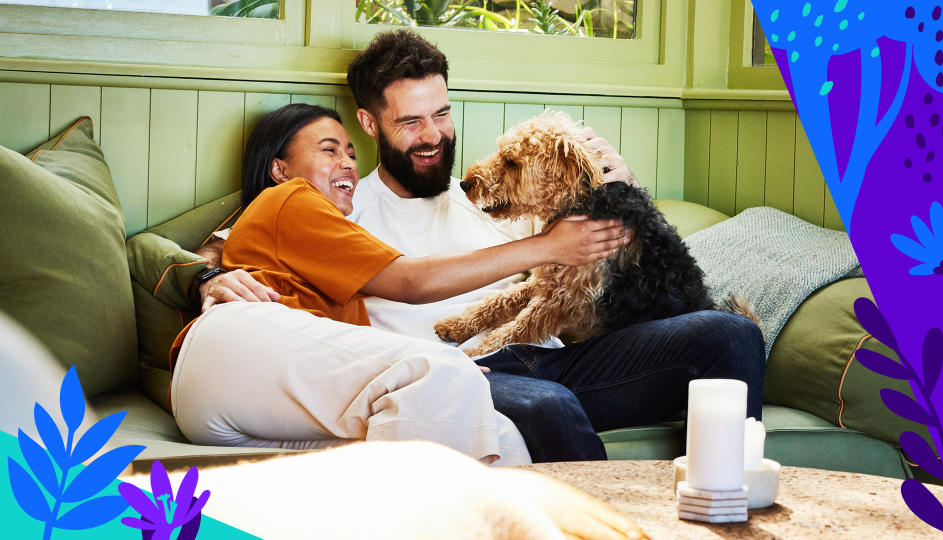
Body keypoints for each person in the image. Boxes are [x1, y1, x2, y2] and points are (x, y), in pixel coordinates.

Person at [199, 30, 766, 462]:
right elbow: (219, 248)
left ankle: (730, 502)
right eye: (411, 122)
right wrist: (206, 278)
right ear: (370, 125)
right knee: (549, 407)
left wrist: (618, 187)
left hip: (554, 358)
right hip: (458, 376)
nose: (432, 135)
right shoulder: (339, 201)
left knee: (732, 335)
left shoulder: (498, 195)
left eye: (442, 114)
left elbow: (616, 265)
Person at [171, 104, 629, 466]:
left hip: (243, 407)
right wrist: (550, 246)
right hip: (238, 352)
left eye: (350, 153)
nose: (347, 164)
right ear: (279, 169)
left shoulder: (316, 236)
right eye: (329, 150)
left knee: (501, 438)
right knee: (443, 372)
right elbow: (409, 280)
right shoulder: (291, 198)